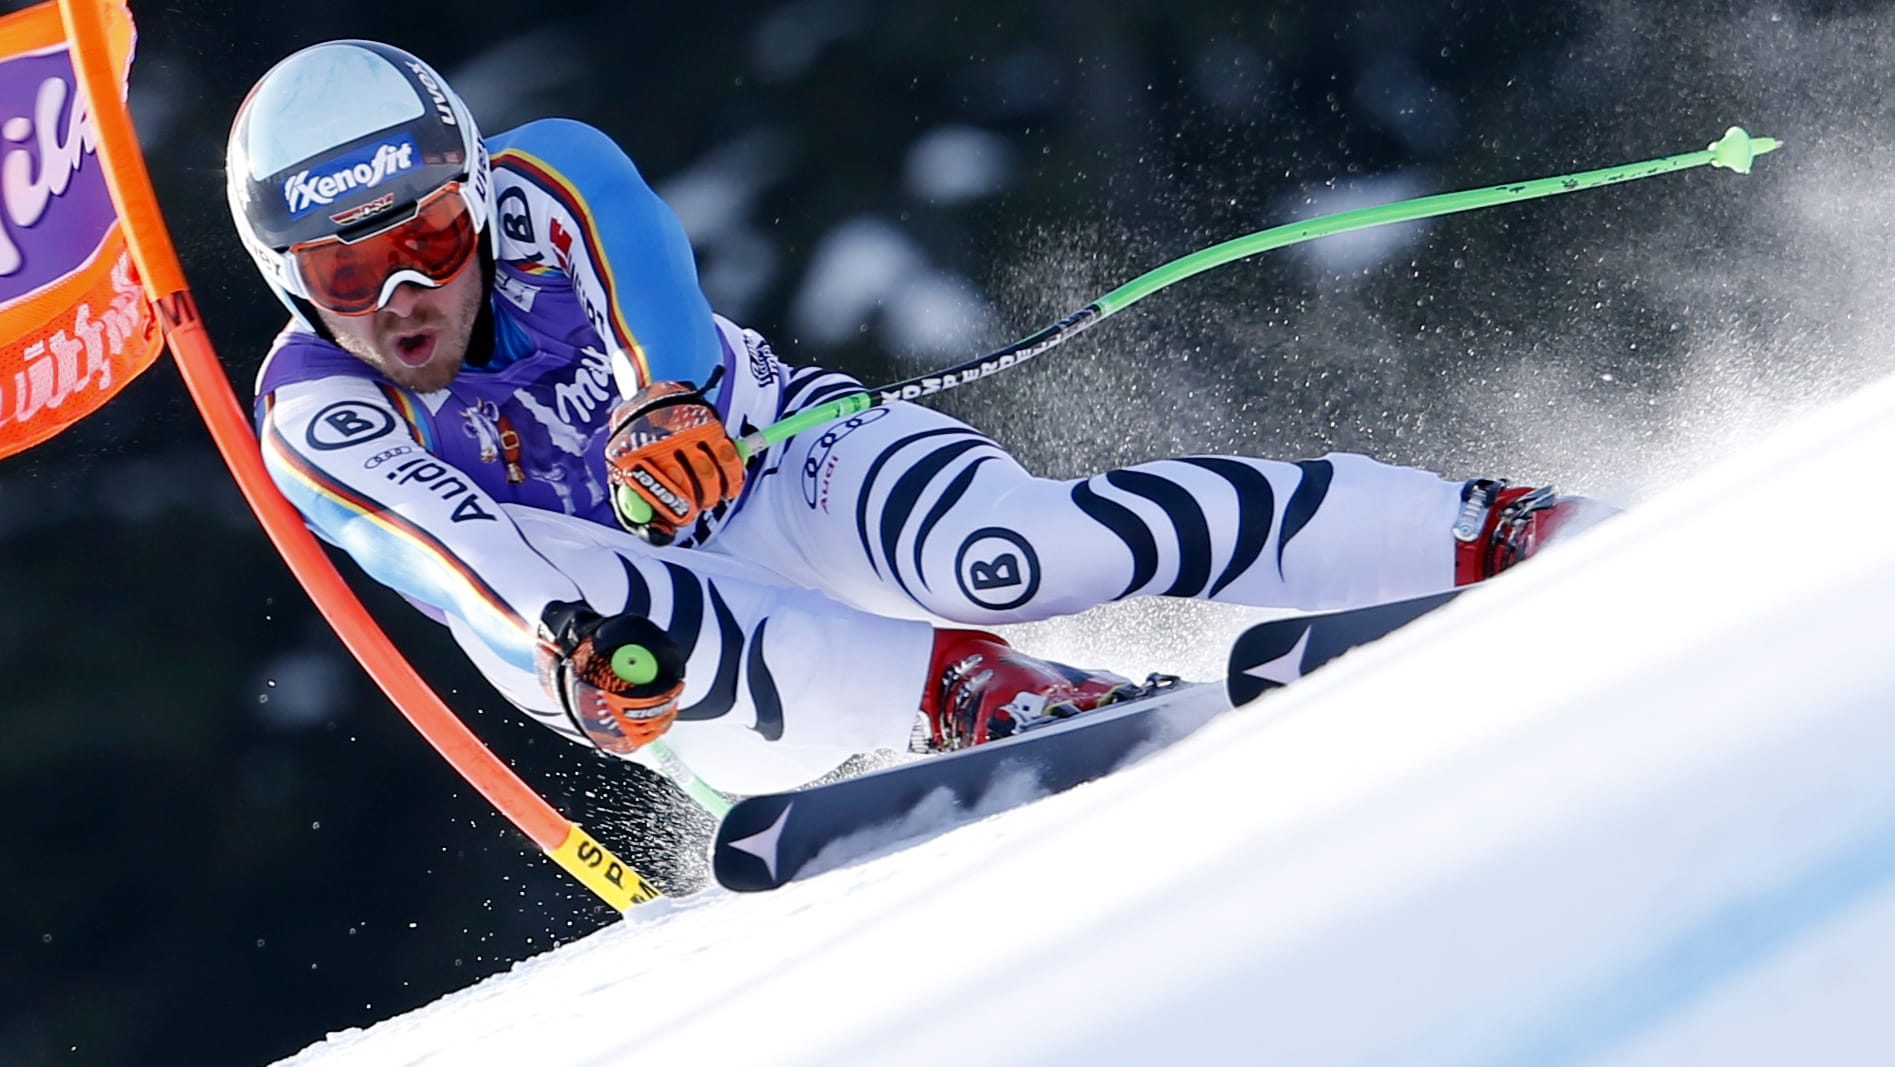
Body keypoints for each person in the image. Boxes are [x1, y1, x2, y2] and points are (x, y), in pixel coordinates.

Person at [228, 40, 1591, 796]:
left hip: (758, 461)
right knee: (617, 606)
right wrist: (568, 641)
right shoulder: (315, 411)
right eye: (347, 268)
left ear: (474, 189)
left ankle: (1474, 528)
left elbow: (650, 280)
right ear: (290, 278)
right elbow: (446, 546)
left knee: (1008, 555)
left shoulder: (548, 182)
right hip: (615, 647)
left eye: (432, 232)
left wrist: (664, 399)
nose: (404, 291)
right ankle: (978, 698)